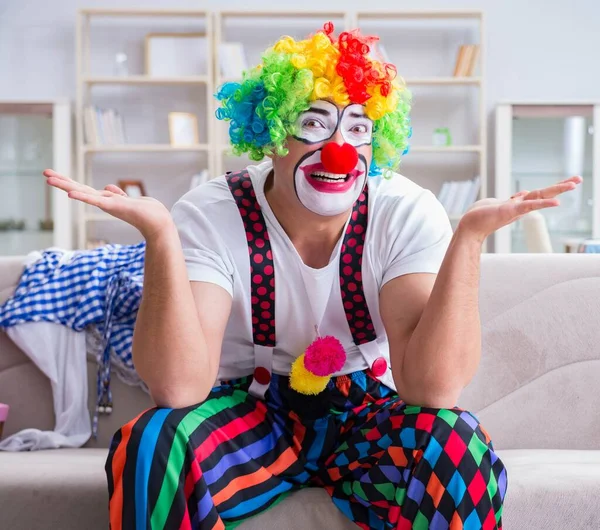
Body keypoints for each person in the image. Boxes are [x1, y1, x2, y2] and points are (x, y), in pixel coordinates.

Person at [45, 22, 580, 530]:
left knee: (457, 442)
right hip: (251, 414)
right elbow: (179, 386)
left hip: (366, 414)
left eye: (358, 128)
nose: (340, 148)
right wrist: (160, 237)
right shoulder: (210, 212)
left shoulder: (404, 210)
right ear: (273, 133)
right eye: (315, 124)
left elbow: (433, 389)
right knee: (151, 443)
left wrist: (468, 240)